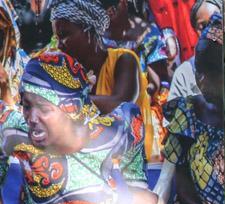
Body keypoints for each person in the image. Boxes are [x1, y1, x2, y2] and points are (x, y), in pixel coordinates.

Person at [0, 51, 152, 204]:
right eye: (27, 106)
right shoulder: (17, 131)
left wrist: (137, 185)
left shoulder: (108, 134)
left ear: (72, 108)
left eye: (44, 109)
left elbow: (132, 115)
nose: (31, 118)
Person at [51, 0, 161, 163]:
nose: (59, 45)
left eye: (65, 35)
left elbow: (121, 104)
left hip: (129, 167)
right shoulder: (67, 72)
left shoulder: (124, 60)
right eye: (57, 38)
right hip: (90, 169)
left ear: (89, 30)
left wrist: (65, 102)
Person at [158, 12, 222, 204]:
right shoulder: (189, 111)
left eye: (212, 72)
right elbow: (182, 188)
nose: (202, 81)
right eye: (199, 69)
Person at [166, 0, 219, 102]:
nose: (210, 31)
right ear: (195, 30)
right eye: (203, 27)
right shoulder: (184, 73)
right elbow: (174, 115)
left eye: (216, 23)